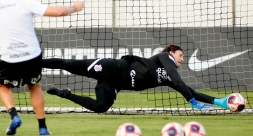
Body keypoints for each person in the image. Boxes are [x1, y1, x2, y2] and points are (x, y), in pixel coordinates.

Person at [0, 0, 84, 135]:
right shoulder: (25, 3)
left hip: (9, 57)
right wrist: (75, 7)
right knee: (34, 87)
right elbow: (58, 12)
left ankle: (14, 116)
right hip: (32, 56)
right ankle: (43, 127)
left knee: (2, 86)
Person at [43, 44, 229, 113]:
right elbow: (178, 80)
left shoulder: (167, 78)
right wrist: (191, 101)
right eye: (180, 55)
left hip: (114, 84)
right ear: (172, 52)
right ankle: (36, 63)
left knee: (101, 107)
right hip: (110, 68)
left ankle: (65, 94)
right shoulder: (165, 57)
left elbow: (189, 90)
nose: (182, 58)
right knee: (68, 65)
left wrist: (218, 101)